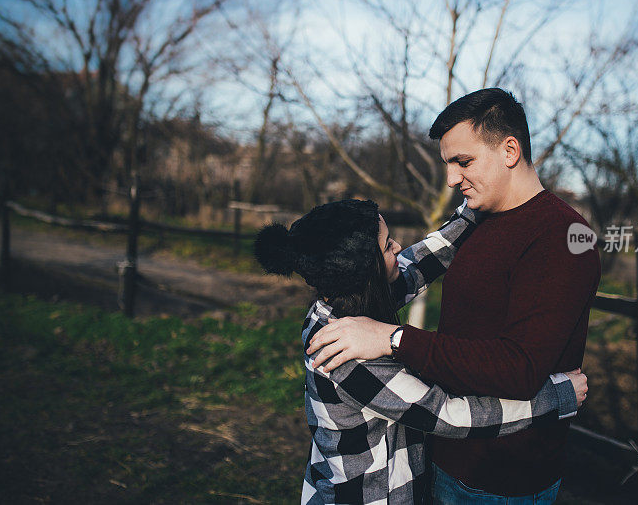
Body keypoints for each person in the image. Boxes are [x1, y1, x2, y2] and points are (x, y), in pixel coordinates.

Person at [306, 88, 602, 503]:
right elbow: (416, 266)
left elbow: (519, 370)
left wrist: (394, 338)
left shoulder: (563, 238)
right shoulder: (481, 220)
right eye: (449, 164)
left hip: (500, 479)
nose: (451, 179)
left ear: (510, 150)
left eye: (463, 162)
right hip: (441, 458)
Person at [253, 198, 588, 504]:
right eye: (387, 246)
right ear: (365, 271)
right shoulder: (348, 356)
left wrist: (472, 211)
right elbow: (449, 415)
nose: (398, 247)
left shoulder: (340, 302)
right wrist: (556, 398)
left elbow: (419, 264)